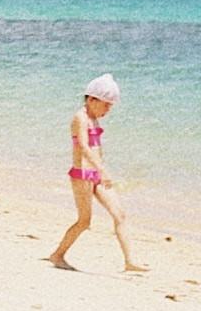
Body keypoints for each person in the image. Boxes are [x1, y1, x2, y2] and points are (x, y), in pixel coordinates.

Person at [47, 73, 146, 272]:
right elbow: (83, 147)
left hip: (97, 176)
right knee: (84, 222)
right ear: (92, 99)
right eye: (106, 104)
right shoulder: (80, 118)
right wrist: (103, 170)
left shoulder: (94, 118)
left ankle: (130, 261)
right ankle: (57, 255)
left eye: (110, 106)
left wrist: (101, 172)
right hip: (82, 175)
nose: (108, 110)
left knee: (120, 215)